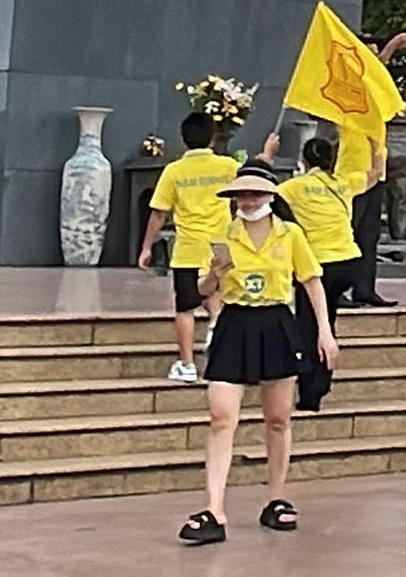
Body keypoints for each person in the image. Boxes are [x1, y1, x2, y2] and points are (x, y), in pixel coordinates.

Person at [176, 169, 339, 546]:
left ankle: (275, 497)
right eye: (242, 195)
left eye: (255, 194)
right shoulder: (223, 235)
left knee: (278, 419)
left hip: (277, 321)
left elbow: (311, 281)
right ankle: (214, 508)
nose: (248, 202)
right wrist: (214, 274)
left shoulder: (290, 234)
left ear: (269, 197)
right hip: (235, 322)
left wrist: (325, 332)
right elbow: (203, 288)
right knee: (221, 416)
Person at [273, 133, 382, 412]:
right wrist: (374, 146)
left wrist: (267, 155)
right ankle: (321, 380)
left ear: (304, 160)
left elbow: (264, 194)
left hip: (317, 266)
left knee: (310, 329)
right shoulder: (343, 183)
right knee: (327, 318)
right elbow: (376, 173)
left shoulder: (295, 187)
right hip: (350, 263)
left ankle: (312, 391)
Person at [136, 112, 241, 383]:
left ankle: (187, 365)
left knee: (185, 307)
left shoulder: (174, 171)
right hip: (221, 245)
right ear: (213, 137)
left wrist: (146, 247)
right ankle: (218, 334)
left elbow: (159, 213)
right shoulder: (228, 166)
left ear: (183, 139)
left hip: (188, 248)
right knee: (215, 295)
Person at [345, 32, 406, 307]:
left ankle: (364, 288)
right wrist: (392, 45)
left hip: (376, 169)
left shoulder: (374, 87)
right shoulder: (350, 85)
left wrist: (392, 47)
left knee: (368, 235)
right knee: (347, 234)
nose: (376, 62)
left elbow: (376, 72)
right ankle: (338, 289)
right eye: (369, 55)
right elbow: (370, 73)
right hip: (353, 171)